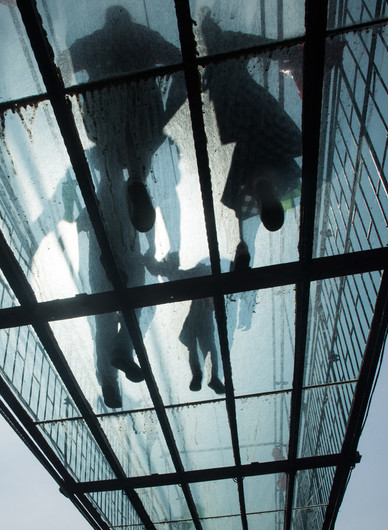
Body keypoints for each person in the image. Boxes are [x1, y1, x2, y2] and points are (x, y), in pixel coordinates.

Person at [197, 10, 303, 270]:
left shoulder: (210, 61)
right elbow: (258, 45)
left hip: (252, 115)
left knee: (235, 56)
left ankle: (271, 186)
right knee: (239, 195)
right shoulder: (223, 50)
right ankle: (264, 185)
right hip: (238, 118)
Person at [69, 5, 186, 234]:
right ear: (129, 19)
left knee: (135, 143)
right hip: (135, 109)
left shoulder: (95, 42)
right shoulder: (144, 37)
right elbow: (178, 60)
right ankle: (133, 181)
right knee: (121, 146)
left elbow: (63, 64)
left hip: (112, 111)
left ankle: (133, 181)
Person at [143, 253, 226, 395]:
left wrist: (152, 263)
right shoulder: (204, 272)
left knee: (197, 346)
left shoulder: (201, 272)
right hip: (202, 315)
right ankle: (207, 376)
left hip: (200, 314)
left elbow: (174, 275)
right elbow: (174, 275)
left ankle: (201, 374)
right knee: (206, 346)